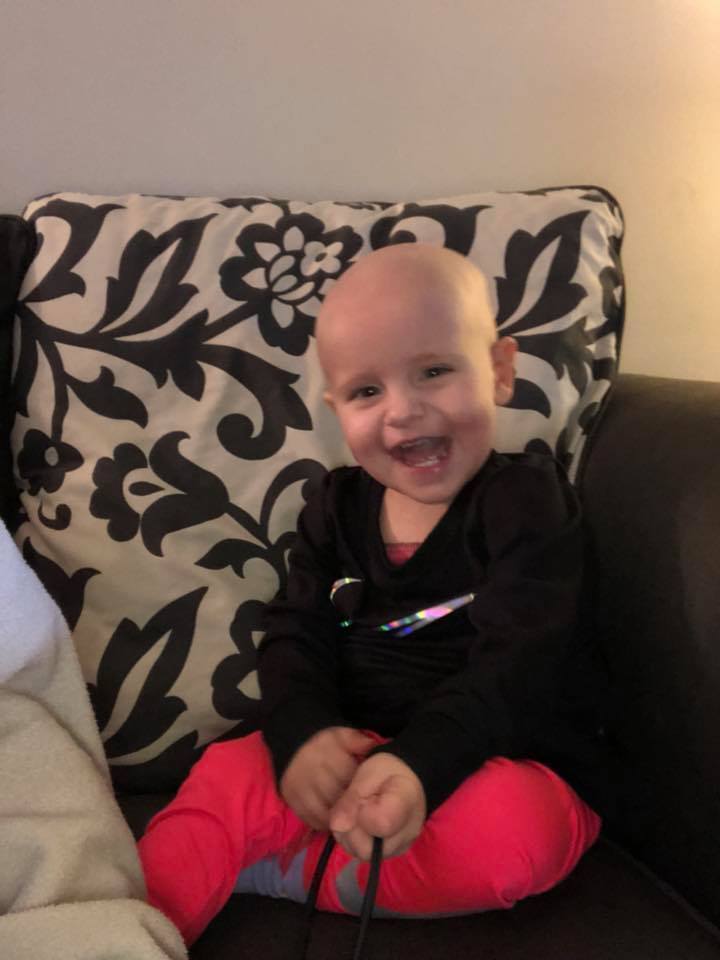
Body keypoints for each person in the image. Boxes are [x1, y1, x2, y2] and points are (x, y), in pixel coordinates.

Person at [138, 243, 606, 946]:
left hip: (485, 756)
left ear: (500, 371)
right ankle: (126, 931)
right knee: (226, 773)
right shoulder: (334, 506)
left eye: (435, 371)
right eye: (366, 392)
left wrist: (420, 766)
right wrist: (303, 735)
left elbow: (522, 663)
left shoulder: (525, 501)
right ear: (336, 408)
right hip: (351, 750)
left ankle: (287, 869)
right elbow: (295, 631)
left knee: (516, 829)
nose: (403, 411)